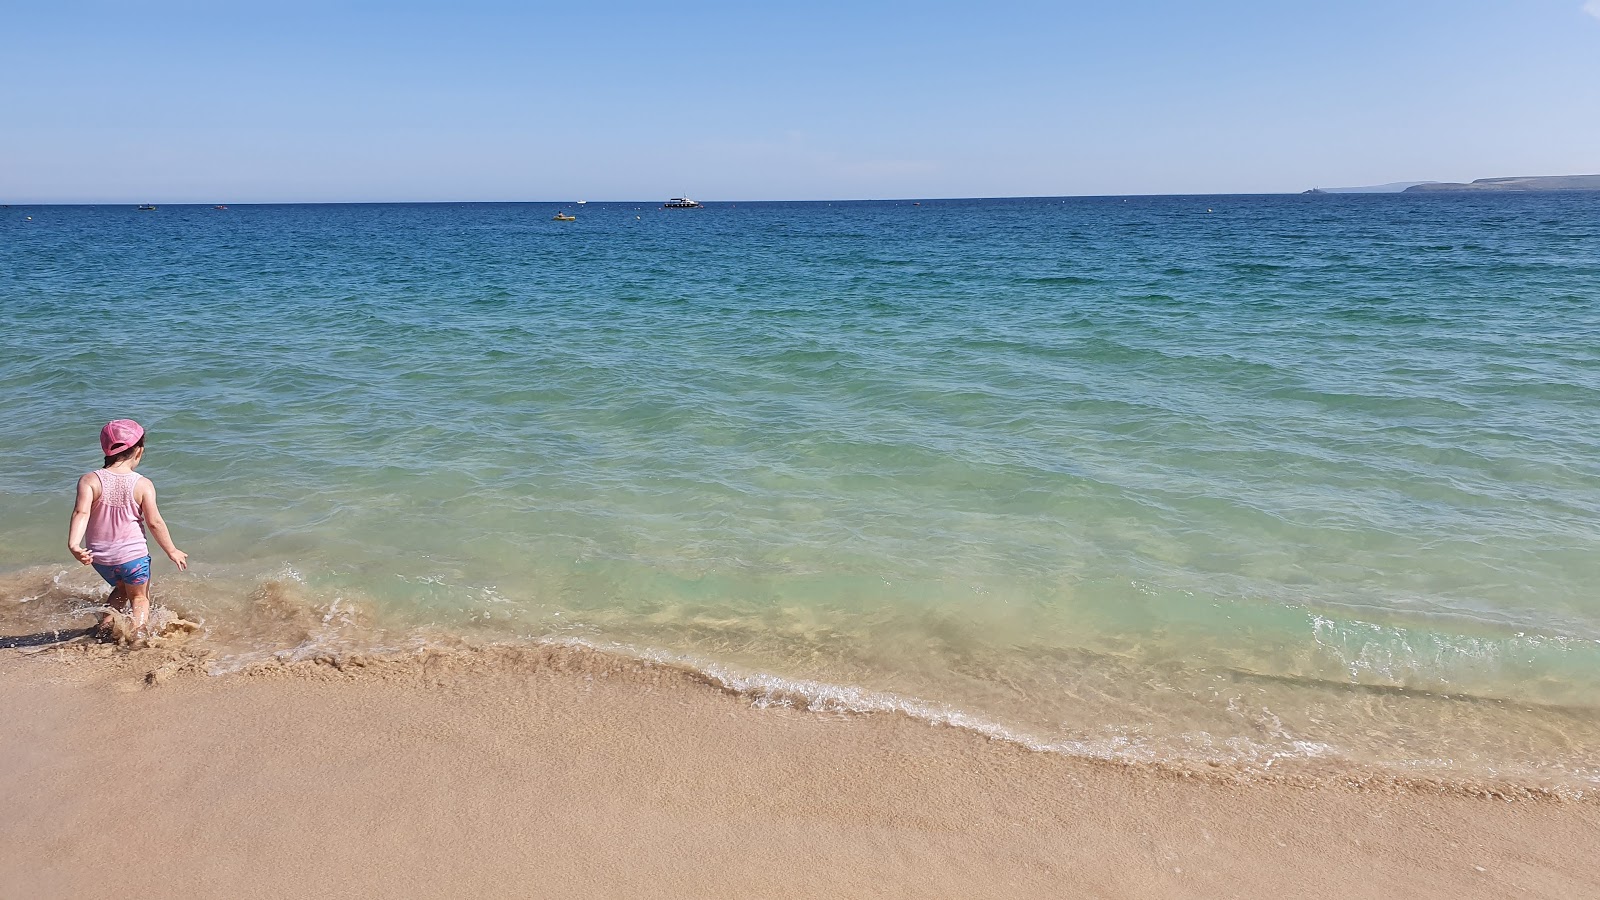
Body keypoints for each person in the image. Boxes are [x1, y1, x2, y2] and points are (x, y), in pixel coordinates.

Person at [66, 419, 188, 637]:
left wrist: (74, 544)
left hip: (101, 558)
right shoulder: (142, 484)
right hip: (133, 557)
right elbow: (154, 522)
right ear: (139, 451)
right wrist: (172, 550)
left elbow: (81, 513)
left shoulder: (89, 480)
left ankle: (104, 628)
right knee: (139, 597)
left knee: (121, 589)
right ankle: (138, 636)